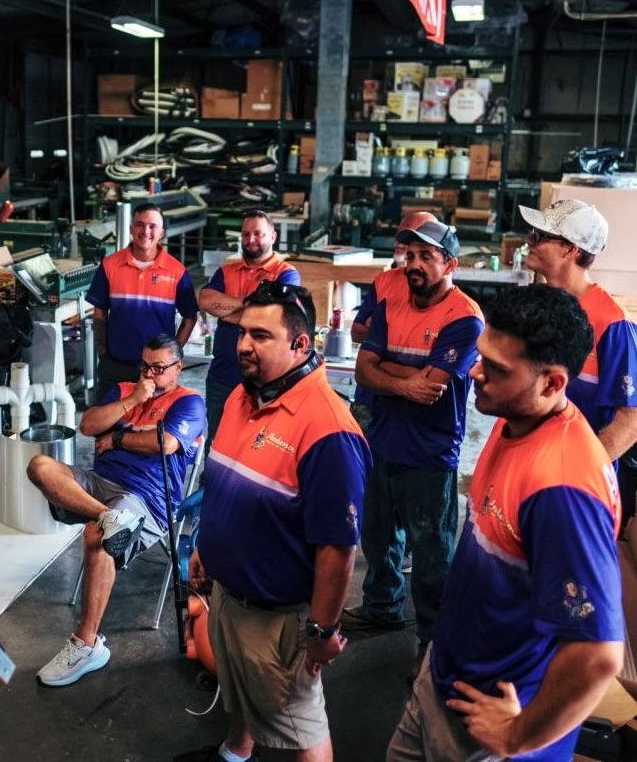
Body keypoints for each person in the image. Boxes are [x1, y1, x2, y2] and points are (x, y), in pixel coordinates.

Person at [388, 285, 624, 762]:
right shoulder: (512, 417)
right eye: (481, 357)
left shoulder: (562, 488)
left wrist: (517, 737)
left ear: (552, 383)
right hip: (447, 680)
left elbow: (599, 655)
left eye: (496, 369)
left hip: (491, 723)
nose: (475, 373)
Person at [179, 281, 370, 762]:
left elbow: (337, 548)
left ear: (300, 344)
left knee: (299, 721)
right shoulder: (245, 397)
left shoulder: (328, 431)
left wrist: (323, 633)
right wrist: (205, 545)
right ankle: (235, 752)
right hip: (228, 591)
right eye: (243, 332)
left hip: (277, 617)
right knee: (239, 684)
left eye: (261, 336)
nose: (245, 344)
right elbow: (223, 482)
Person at [341, 221, 483, 675]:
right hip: (381, 439)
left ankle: (433, 641)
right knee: (378, 536)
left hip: (430, 452)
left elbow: (434, 388)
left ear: (450, 264)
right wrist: (407, 379)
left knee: (431, 554)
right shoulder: (393, 297)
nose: (414, 264)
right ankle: (382, 606)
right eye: (411, 255)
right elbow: (363, 370)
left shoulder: (465, 317)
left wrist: (389, 372)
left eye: (428, 257)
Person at [28, 334, 205, 687]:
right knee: (40, 465)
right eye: (145, 366)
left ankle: (87, 644)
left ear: (178, 368)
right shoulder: (125, 389)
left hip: (146, 498)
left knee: (97, 535)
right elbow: (88, 426)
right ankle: (109, 517)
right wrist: (132, 401)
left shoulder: (189, 402)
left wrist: (119, 439)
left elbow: (166, 443)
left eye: (159, 368)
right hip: (99, 483)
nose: (150, 375)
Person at [520, 198, 637, 529]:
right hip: (533, 467)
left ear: (571, 249)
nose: (529, 240)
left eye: (540, 235)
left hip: (578, 487)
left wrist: (576, 473)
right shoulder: (540, 309)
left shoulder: (613, 323)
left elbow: (630, 422)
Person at [199, 209, 300, 449]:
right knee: (217, 446)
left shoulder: (286, 274)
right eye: (246, 234)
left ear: (273, 237)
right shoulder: (227, 270)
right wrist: (252, 304)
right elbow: (205, 301)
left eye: (258, 234)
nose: (250, 240)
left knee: (257, 450)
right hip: (222, 378)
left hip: (265, 382)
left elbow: (272, 317)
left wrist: (229, 310)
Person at [87, 202, 198, 400]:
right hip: (116, 366)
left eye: (153, 226)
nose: (146, 231)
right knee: (110, 424)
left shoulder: (177, 272)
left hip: (159, 371)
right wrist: (103, 355)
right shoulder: (109, 266)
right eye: (140, 224)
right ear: (131, 229)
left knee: (153, 427)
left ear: (162, 232)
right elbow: (99, 313)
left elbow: (190, 317)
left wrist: (173, 355)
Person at [350, 211, 439, 433]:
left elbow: (431, 378)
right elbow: (357, 332)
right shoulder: (385, 282)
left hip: (417, 410)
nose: (402, 244)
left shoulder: (454, 306)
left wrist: (379, 355)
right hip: (369, 400)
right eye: (401, 237)